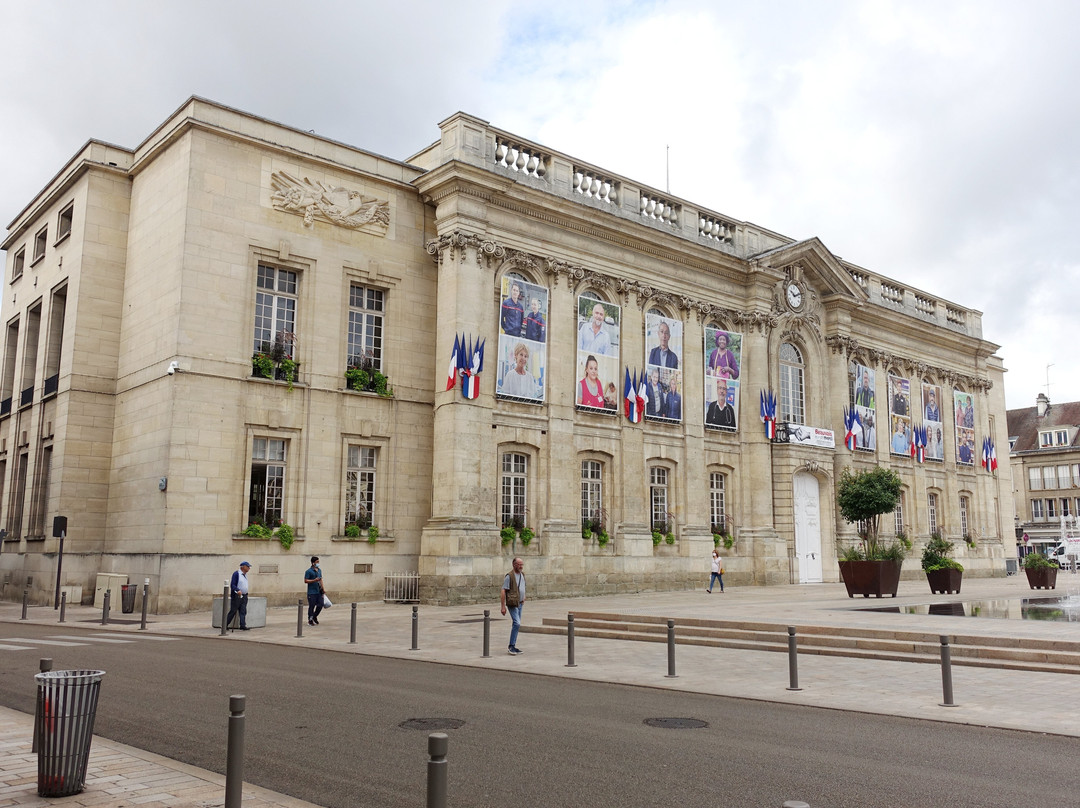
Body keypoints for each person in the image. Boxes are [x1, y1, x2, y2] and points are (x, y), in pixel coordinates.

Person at [500, 556, 526, 655]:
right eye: (519, 564)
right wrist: (502, 606)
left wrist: (524, 596)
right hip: (512, 604)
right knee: (517, 623)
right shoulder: (509, 576)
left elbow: (523, 587)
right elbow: (503, 590)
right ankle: (511, 646)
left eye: (521, 564)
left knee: (516, 624)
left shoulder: (522, 575)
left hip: (520, 603)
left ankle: (513, 645)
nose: (520, 566)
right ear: (514, 565)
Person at [225, 561, 251, 631]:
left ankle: (242, 625)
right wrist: (237, 590)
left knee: (243, 611)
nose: (249, 568)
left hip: (244, 595)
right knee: (233, 611)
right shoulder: (237, 574)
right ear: (243, 567)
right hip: (237, 595)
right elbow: (233, 585)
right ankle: (225, 624)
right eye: (248, 566)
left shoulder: (245, 575)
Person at [304, 556, 323, 626]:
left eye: (318, 562)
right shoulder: (308, 571)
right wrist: (314, 580)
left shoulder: (319, 570)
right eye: (317, 562)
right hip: (311, 592)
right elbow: (306, 580)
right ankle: (310, 619)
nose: (318, 563)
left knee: (321, 604)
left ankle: (315, 616)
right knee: (312, 606)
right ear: (313, 563)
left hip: (319, 591)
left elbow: (321, 580)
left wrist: (323, 589)